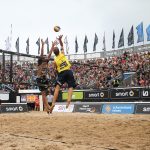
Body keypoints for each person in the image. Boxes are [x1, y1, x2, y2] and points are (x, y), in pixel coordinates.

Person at [50, 35, 76, 113]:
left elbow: (55, 69)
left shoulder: (55, 60)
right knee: (70, 86)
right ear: (59, 51)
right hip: (69, 71)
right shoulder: (62, 54)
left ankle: (53, 102)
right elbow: (62, 45)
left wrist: (55, 71)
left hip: (62, 73)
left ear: (54, 53)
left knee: (57, 87)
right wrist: (60, 39)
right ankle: (68, 102)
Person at [36, 39, 57, 113]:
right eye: (44, 56)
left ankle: (47, 109)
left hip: (45, 78)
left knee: (44, 94)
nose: (45, 57)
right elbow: (41, 54)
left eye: (45, 56)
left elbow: (50, 54)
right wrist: (42, 45)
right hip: (40, 78)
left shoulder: (46, 61)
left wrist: (52, 46)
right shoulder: (40, 62)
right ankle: (48, 107)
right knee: (43, 94)